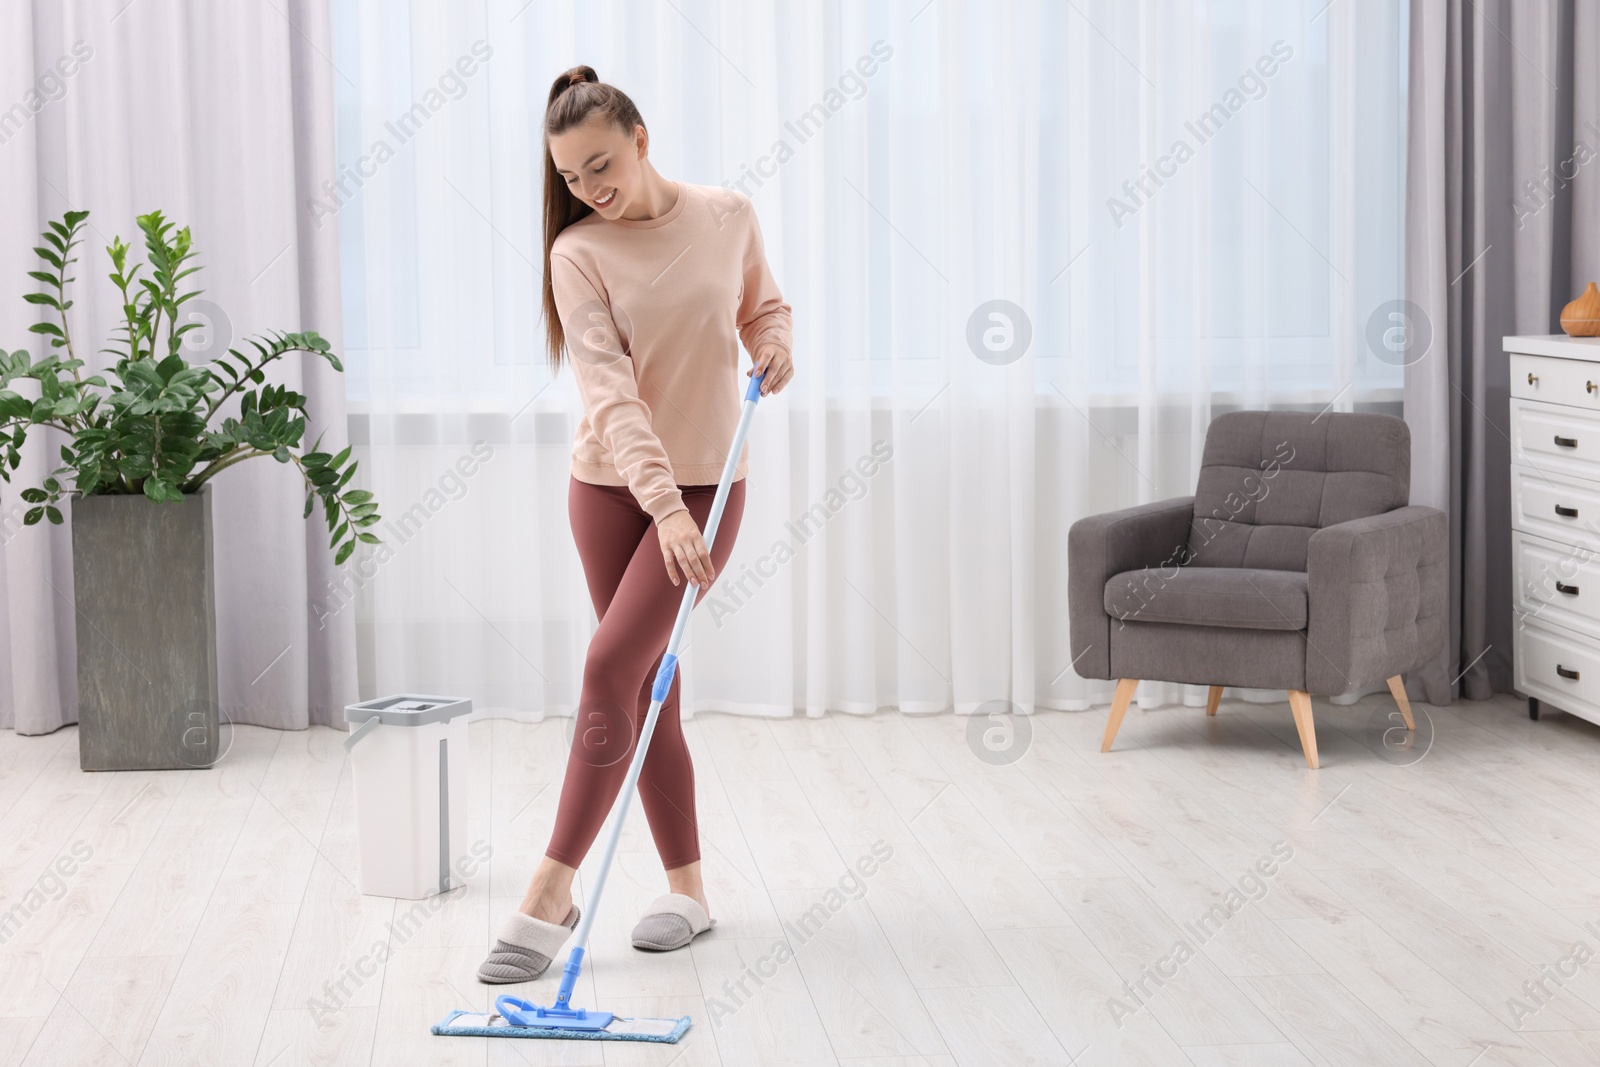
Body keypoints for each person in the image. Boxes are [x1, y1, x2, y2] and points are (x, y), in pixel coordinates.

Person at [477, 65, 794, 984]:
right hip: (611, 491)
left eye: (602, 165)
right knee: (649, 681)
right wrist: (658, 508)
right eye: (572, 177)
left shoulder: (727, 215)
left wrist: (774, 347)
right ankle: (688, 890)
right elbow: (609, 395)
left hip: (709, 485)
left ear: (642, 137)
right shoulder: (575, 252)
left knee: (613, 666)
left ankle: (549, 888)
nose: (589, 189)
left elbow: (762, 308)